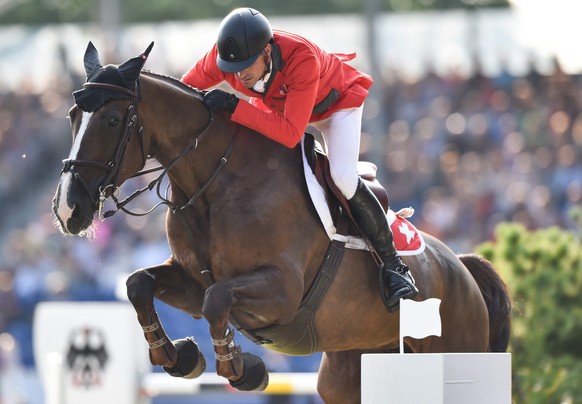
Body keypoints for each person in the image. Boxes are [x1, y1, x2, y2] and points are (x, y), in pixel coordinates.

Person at [181, 7, 418, 312]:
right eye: (233, 67)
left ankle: (394, 266)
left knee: (342, 177)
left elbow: (291, 133)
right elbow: (183, 90)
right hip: (281, 108)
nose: (239, 74)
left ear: (267, 50)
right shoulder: (225, 59)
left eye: (246, 64)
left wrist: (233, 105)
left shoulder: (301, 57)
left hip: (335, 107)